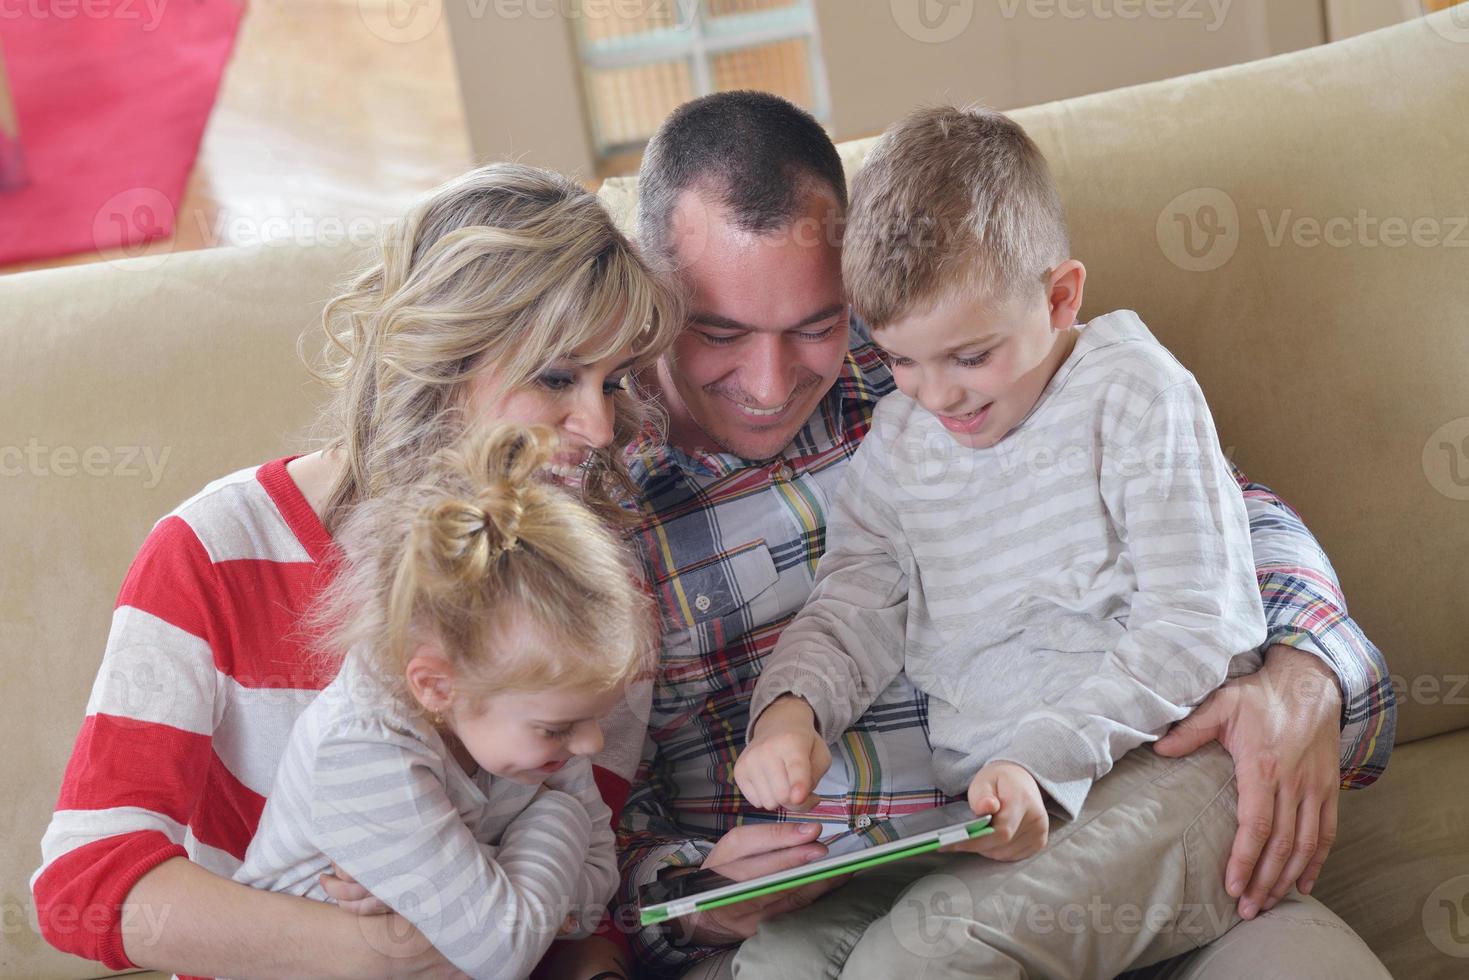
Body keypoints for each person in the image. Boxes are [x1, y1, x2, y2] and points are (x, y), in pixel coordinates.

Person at [616, 91, 1395, 978]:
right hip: (938, 847)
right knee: (785, 965)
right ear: (650, 286)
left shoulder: (948, 341)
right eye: (718, 330)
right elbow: (855, 598)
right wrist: (774, 744)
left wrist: (1308, 668)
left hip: (1132, 781)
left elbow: (1221, 542)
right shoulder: (595, 501)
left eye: (817, 326)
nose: (767, 379)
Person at [31, 163, 681, 980]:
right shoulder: (212, 549)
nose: (597, 423)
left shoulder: (587, 593)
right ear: (439, 356)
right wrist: (378, 953)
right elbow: (85, 887)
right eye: (556, 376)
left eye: (611, 382)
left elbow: (573, 895)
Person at [731, 104, 1275, 977]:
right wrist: (793, 712)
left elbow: (1198, 625)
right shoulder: (901, 442)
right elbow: (856, 600)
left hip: (1171, 776)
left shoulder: (1133, 393)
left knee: (916, 962)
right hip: (996, 807)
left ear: (1060, 298)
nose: (936, 396)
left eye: (969, 357)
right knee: (779, 961)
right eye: (902, 362)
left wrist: (1038, 761)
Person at [235, 423, 654, 980]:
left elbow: (590, 897)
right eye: (560, 728)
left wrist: (477, 891)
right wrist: (559, 815)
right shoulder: (361, 749)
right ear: (435, 686)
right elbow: (504, 953)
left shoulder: (533, 726)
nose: (591, 744)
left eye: (593, 719)